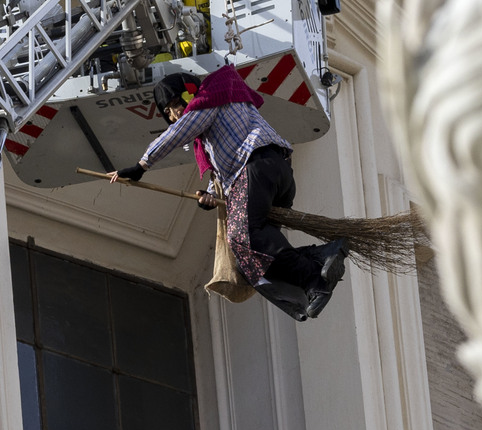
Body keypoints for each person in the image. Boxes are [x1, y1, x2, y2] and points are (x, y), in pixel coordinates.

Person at [109, 66, 347, 321]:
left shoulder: (210, 97)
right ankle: (321, 257)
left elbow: (179, 132)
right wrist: (210, 196)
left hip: (257, 167)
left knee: (241, 236)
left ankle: (313, 277)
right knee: (252, 253)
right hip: (275, 174)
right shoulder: (217, 117)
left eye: (174, 106)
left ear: (188, 95)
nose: (173, 116)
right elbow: (223, 174)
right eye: (167, 113)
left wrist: (141, 166)